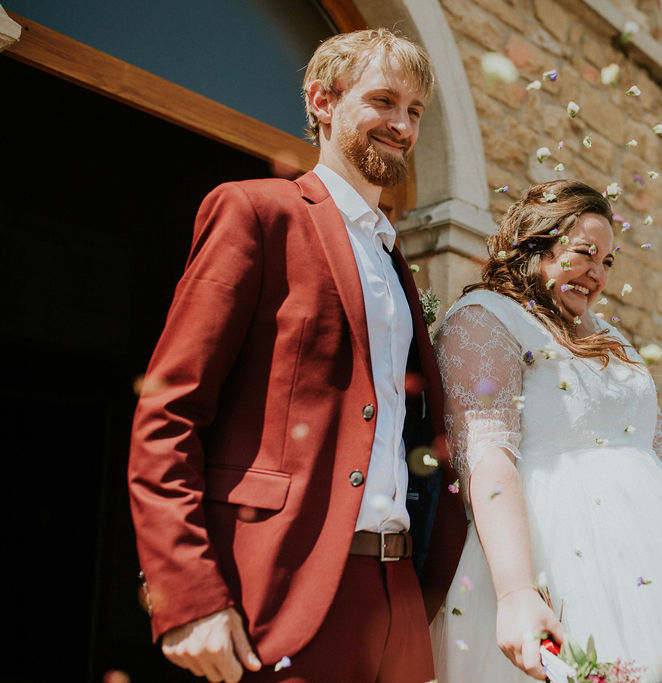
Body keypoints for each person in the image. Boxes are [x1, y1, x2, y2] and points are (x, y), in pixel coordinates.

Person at [127, 29, 465, 683]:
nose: (402, 124)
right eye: (384, 100)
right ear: (323, 100)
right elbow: (168, 412)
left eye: (415, 111)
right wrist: (186, 593)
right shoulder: (257, 213)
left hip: (398, 596)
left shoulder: (395, 260)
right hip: (286, 587)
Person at [429, 180, 662, 681]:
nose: (598, 273)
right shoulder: (484, 320)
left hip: (651, 560)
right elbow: (488, 457)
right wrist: (517, 591)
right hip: (554, 557)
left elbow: (658, 437)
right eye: (585, 253)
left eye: (607, 261)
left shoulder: (607, 335)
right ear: (534, 244)